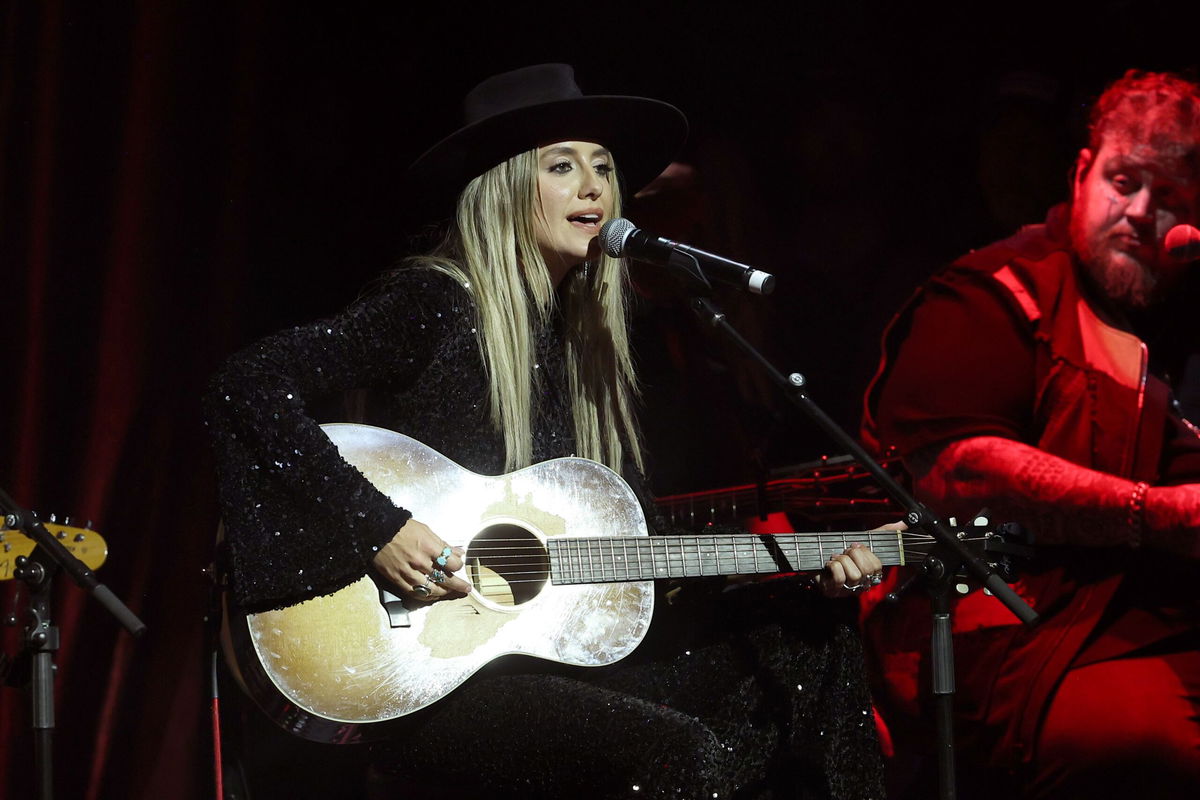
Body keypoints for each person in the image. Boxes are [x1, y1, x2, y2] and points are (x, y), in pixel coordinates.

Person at [205, 64, 886, 799]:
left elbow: (630, 567)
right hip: (435, 682)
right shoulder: (435, 303)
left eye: (603, 168)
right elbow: (246, 384)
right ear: (505, 188)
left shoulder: (585, 347)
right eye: (563, 166)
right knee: (677, 752)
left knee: (809, 642)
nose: (594, 186)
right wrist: (379, 527)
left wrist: (799, 568)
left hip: (546, 667)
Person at [860, 69, 1200, 798]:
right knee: (1142, 742)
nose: (1141, 212)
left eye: (1168, 196)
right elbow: (958, 473)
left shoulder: (1185, 305)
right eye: (1123, 181)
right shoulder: (993, 292)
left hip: (1165, 621)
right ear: (1082, 173)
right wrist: (1163, 515)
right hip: (1037, 643)